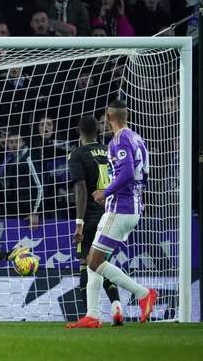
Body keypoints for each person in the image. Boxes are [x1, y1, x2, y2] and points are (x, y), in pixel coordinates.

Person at [66, 99, 157, 328]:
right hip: (132, 205)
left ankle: (143, 293)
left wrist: (105, 191)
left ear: (108, 118)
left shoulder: (119, 139)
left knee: (93, 262)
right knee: (93, 261)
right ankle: (93, 315)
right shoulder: (137, 137)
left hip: (120, 208)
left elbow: (126, 172)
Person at [67, 115, 123, 324]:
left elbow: (81, 189)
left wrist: (79, 223)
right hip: (112, 212)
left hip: (90, 215)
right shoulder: (110, 151)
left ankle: (90, 316)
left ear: (78, 131)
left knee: (85, 264)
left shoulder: (77, 154)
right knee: (103, 262)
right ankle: (116, 305)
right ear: (98, 131)